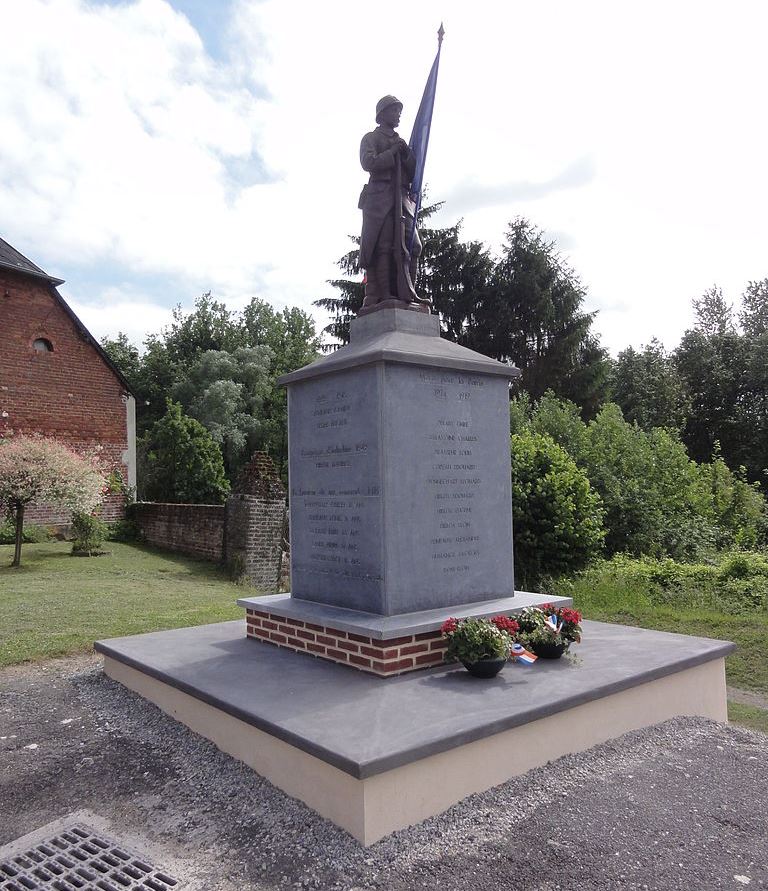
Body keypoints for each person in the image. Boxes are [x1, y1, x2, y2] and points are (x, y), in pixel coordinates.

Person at [358, 95, 423, 308]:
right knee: (384, 245)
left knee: (414, 246)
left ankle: (409, 292)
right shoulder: (371, 138)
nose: (398, 116)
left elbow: (413, 172)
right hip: (380, 197)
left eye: (399, 112)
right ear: (382, 114)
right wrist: (391, 152)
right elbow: (369, 163)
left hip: (402, 198)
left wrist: (405, 154)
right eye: (394, 111)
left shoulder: (401, 142)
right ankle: (385, 295)